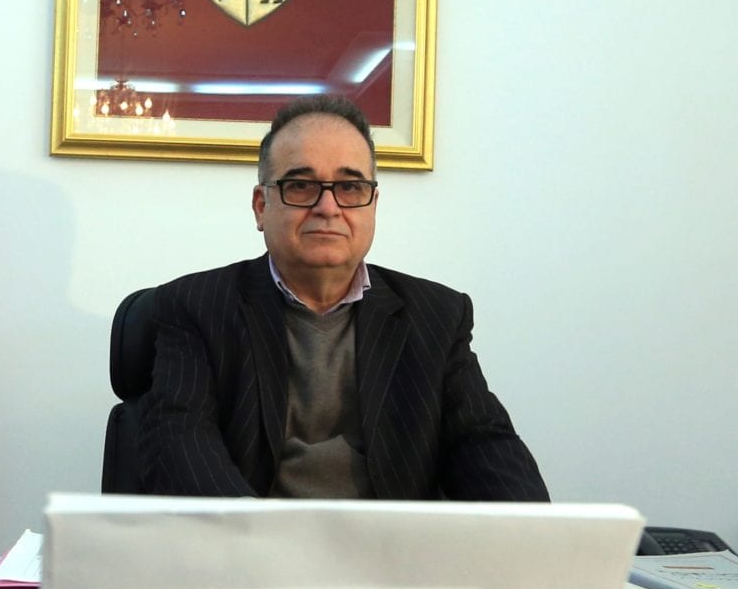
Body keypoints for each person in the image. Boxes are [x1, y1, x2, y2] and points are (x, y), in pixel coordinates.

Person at [131, 95, 549, 501]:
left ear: (373, 205)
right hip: (251, 543)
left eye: (350, 187)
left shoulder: (437, 316)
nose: (328, 207)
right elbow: (179, 441)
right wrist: (261, 537)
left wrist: (538, 536)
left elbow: (483, 443)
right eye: (301, 185)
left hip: (387, 544)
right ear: (261, 206)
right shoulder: (195, 306)